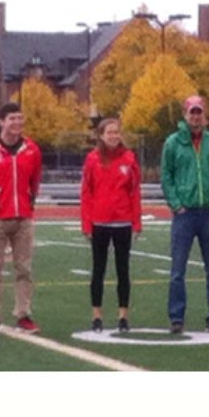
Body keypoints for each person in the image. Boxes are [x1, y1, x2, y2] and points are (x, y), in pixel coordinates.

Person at [160, 94, 209, 335]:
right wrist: (176, 204)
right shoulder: (172, 143)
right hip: (185, 214)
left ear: (205, 115)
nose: (196, 117)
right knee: (178, 270)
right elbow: (166, 176)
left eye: (200, 112)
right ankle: (177, 317)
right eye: (192, 112)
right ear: (185, 115)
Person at [0, 102, 43, 333]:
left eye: (20, 118)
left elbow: (35, 180)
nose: (17, 123)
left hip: (23, 217)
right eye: (12, 118)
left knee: (24, 269)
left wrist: (29, 204)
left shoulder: (32, 149)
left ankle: (23, 313)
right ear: (2, 122)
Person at [80, 117, 142, 332]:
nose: (114, 136)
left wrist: (136, 222)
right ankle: (96, 315)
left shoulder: (129, 158)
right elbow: (86, 193)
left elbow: (134, 192)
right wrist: (86, 224)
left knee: (123, 270)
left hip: (123, 222)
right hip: (99, 222)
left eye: (117, 132)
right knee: (98, 270)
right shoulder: (92, 159)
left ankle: (123, 315)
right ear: (101, 135)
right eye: (109, 132)